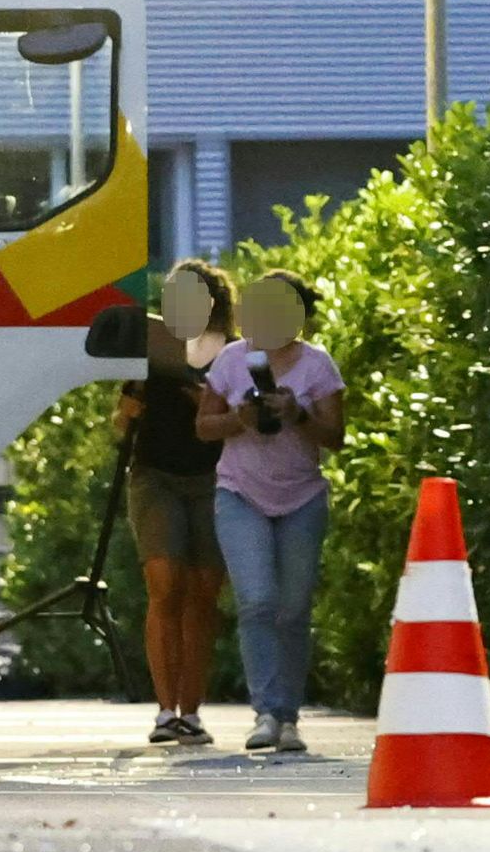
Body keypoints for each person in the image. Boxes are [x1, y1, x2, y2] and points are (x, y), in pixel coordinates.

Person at [195, 268, 346, 757]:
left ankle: (289, 717)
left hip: (302, 497)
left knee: (293, 609)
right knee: (257, 601)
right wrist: (240, 418)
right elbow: (204, 427)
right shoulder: (231, 361)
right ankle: (266, 711)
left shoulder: (318, 366)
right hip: (240, 494)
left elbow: (335, 437)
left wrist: (297, 415)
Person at [118, 259, 234, 748]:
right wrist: (127, 413)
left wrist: (208, 402)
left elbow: (247, 417)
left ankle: (192, 711)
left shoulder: (233, 355)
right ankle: (166, 711)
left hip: (216, 476)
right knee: (165, 585)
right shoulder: (151, 352)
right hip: (155, 474)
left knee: (203, 592)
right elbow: (121, 425)